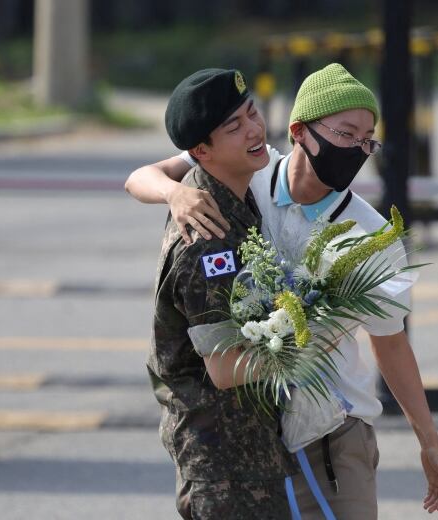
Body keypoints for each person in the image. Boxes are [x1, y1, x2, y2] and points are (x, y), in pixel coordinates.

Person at [127, 63, 438, 518]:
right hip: (253, 440)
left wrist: (429, 441)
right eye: (345, 134)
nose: (358, 149)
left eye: (367, 139)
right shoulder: (247, 178)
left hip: (332, 437)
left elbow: (391, 342)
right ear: (301, 131)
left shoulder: (371, 236)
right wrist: (173, 193)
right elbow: (143, 175)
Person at [145, 67, 295, 519]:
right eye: (235, 126)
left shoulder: (231, 197)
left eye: (253, 113)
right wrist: (309, 341)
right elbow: (226, 368)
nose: (254, 129)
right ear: (200, 151)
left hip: (248, 452)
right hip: (225, 466)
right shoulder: (208, 239)